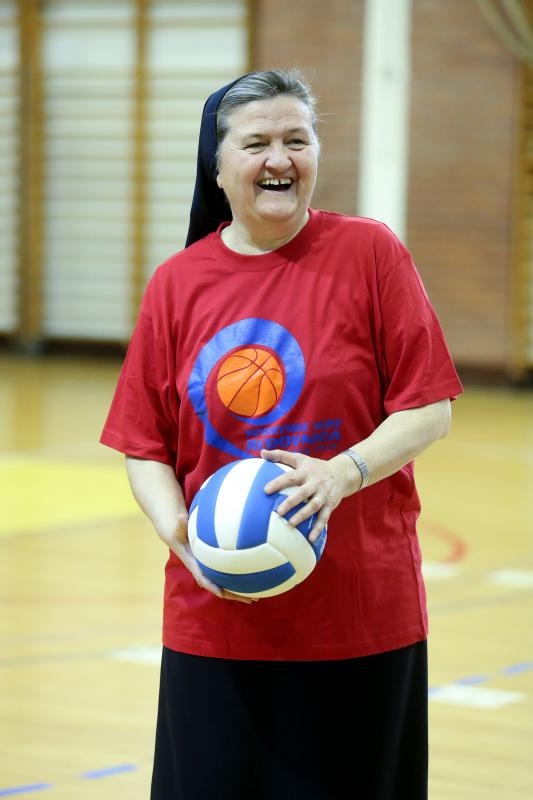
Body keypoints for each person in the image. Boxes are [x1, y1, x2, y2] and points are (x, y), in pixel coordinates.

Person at [100, 68, 463, 800]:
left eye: (297, 139)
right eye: (256, 141)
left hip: (359, 613)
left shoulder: (369, 254)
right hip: (217, 616)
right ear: (218, 164)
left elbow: (429, 408)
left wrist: (341, 473)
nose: (280, 158)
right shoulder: (177, 282)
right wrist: (180, 533)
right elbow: (144, 445)